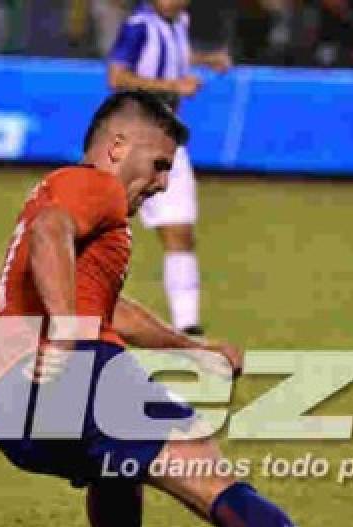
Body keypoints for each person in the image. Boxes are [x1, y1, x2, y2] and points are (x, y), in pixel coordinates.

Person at [0, 90, 353, 527]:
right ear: (117, 147)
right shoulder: (93, 186)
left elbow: (107, 307)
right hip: (73, 374)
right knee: (208, 471)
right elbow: (50, 234)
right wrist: (67, 330)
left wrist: (188, 346)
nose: (163, 183)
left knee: (114, 473)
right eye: (159, 165)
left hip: (12, 407)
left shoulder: (63, 197)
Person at [107, 0, 233, 336]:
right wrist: (174, 87)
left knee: (180, 232)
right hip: (133, 142)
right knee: (100, 230)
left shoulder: (179, 22)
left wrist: (207, 61)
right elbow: (118, 77)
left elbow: (175, 57)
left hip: (167, 140)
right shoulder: (139, 25)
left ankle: (188, 327)